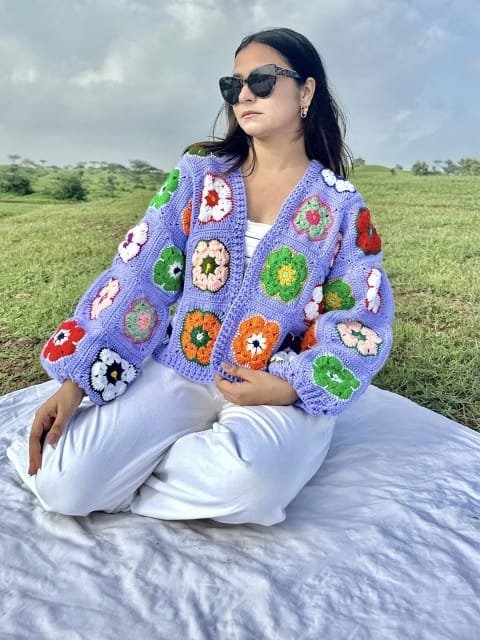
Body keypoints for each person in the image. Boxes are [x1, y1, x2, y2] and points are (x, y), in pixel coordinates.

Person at [7, 27, 394, 526]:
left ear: (306, 91)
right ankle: (158, 467)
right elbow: (137, 275)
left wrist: (291, 387)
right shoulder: (200, 177)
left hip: (273, 380)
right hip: (183, 364)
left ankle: (142, 474)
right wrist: (78, 379)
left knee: (252, 484)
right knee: (63, 483)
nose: (244, 95)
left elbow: (360, 317)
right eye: (233, 85)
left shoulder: (339, 206)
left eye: (262, 79)